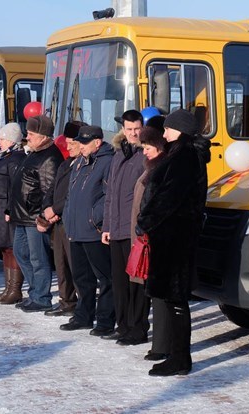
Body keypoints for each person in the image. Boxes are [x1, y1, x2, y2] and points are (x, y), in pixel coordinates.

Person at [137, 109, 209, 377]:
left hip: (175, 238)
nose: (163, 133)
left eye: (168, 129)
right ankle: (177, 355)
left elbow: (169, 196)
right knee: (171, 299)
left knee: (176, 299)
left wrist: (146, 220)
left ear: (180, 130)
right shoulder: (180, 153)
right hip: (171, 236)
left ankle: (179, 358)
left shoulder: (185, 156)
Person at [59, 125, 115, 336]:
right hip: (75, 228)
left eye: (84, 143)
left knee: (105, 278)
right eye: (79, 142)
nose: (80, 146)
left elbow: (108, 196)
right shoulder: (79, 162)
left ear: (97, 142)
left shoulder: (107, 162)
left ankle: (105, 320)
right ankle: (83, 316)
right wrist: (67, 216)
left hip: (93, 229)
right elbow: (70, 194)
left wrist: (95, 218)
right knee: (81, 278)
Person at [101, 110, 148, 345]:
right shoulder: (118, 155)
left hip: (135, 231)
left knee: (136, 282)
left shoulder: (145, 155)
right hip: (117, 229)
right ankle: (123, 325)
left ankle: (138, 328)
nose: (133, 133)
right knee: (119, 281)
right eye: (129, 129)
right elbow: (110, 194)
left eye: (136, 129)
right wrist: (106, 226)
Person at [10, 115, 63, 312]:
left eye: (31, 134)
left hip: (34, 218)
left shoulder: (50, 157)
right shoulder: (33, 153)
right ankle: (35, 292)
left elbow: (50, 190)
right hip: (22, 215)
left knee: (37, 258)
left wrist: (43, 217)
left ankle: (41, 297)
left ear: (43, 136)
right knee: (21, 253)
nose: (27, 137)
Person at [130, 124, 169, 361]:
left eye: (148, 146)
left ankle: (163, 345)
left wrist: (145, 224)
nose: (144, 151)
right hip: (146, 236)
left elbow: (155, 204)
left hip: (156, 238)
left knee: (160, 295)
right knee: (154, 293)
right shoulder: (152, 167)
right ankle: (160, 344)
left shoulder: (162, 168)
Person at [40, 121, 86, 317]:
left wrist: (55, 209)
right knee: (61, 263)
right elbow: (52, 189)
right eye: (67, 143)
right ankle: (66, 301)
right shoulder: (66, 164)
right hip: (58, 221)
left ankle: (84, 305)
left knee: (77, 265)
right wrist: (46, 209)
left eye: (72, 143)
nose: (68, 147)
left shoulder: (86, 164)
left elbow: (73, 193)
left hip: (73, 220)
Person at [0, 123, 27, 304]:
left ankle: (15, 290)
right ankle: (8, 287)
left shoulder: (16, 159)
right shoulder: (5, 157)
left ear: (11, 140)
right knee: (5, 249)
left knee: (12, 249)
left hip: (6, 211)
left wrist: (10, 208)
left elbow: (16, 188)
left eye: (2, 138)